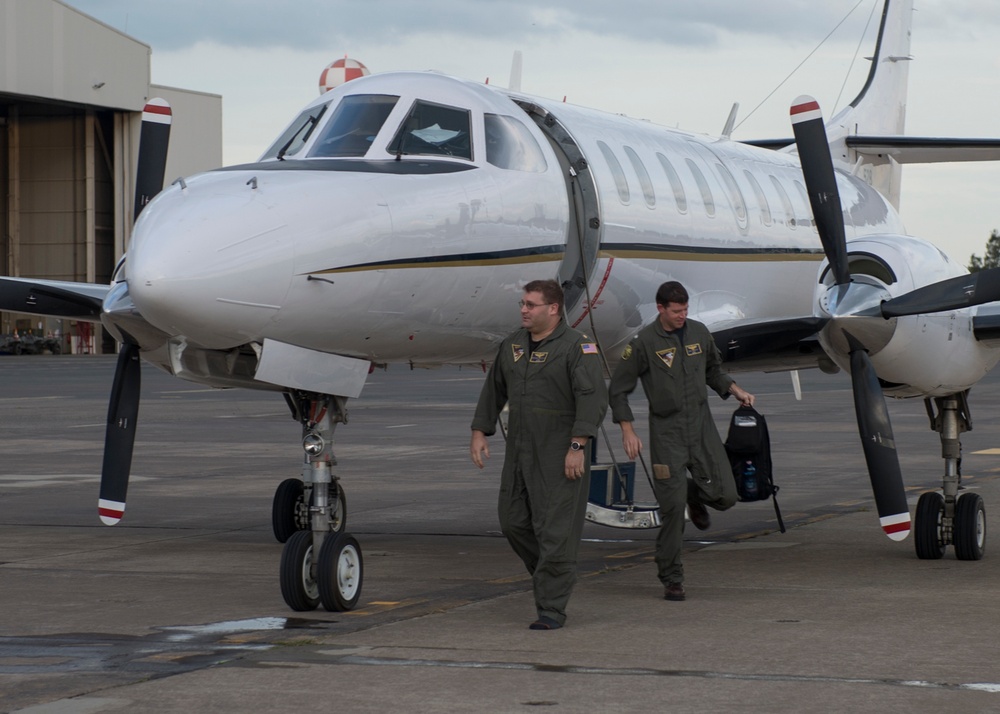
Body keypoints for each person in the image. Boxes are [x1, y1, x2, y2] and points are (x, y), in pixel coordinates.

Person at [470, 279, 608, 630]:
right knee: (512, 520)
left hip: (559, 451)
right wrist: (479, 431)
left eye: (531, 305)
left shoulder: (579, 347)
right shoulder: (513, 345)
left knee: (556, 532)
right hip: (520, 448)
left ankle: (551, 608)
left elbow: (592, 399)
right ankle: (551, 575)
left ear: (553, 309)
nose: (523, 310)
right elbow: (495, 389)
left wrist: (578, 446)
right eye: (522, 303)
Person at [609, 281, 754, 602]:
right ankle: (671, 578)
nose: (682, 316)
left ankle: (692, 491)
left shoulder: (699, 333)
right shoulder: (644, 343)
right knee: (673, 511)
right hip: (667, 434)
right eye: (676, 311)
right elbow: (618, 389)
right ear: (661, 309)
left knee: (727, 496)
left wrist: (735, 389)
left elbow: (713, 371)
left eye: (685, 310)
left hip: (701, 429)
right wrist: (627, 429)